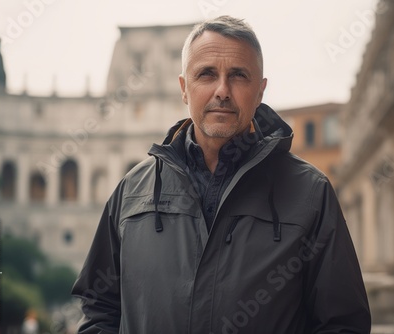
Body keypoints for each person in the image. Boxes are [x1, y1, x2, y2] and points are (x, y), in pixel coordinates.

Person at [72, 15, 371, 334]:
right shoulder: (131, 192)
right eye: (207, 74)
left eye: (239, 76)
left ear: (260, 91)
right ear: (184, 89)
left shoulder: (312, 193)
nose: (222, 90)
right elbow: (99, 308)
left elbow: (342, 323)